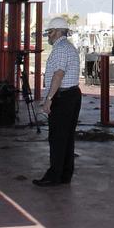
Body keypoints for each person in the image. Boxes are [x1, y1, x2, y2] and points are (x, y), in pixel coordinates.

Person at [33, 16, 80, 187]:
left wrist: (49, 99)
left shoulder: (60, 49)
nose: (48, 36)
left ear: (59, 32)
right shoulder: (69, 47)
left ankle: (54, 176)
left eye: (50, 32)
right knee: (67, 138)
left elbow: (58, 75)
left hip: (63, 97)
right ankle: (65, 174)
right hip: (73, 95)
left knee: (57, 138)